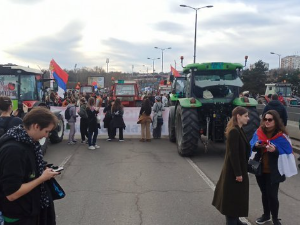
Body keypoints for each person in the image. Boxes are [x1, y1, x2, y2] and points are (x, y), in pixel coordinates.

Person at [0, 107, 60, 225]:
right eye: (46, 131)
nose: (47, 136)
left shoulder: (28, 141)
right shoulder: (14, 151)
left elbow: (28, 170)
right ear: (36, 126)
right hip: (19, 216)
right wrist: (42, 178)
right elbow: (12, 194)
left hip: (29, 210)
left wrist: (43, 170)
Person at [250, 110, 297, 225]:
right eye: (265, 119)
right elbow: (251, 145)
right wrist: (256, 145)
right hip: (260, 169)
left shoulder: (281, 136)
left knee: (272, 195)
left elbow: (287, 152)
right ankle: (266, 215)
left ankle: (275, 218)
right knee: (264, 193)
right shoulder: (259, 132)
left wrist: (275, 150)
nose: (267, 122)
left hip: (275, 170)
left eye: (270, 120)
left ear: (275, 121)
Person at [212, 106, 250, 225]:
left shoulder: (239, 129)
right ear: (238, 116)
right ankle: (232, 221)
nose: (248, 118)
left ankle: (236, 220)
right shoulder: (234, 131)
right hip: (234, 172)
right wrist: (238, 174)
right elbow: (233, 154)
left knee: (237, 197)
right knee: (232, 198)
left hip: (239, 169)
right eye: (246, 116)